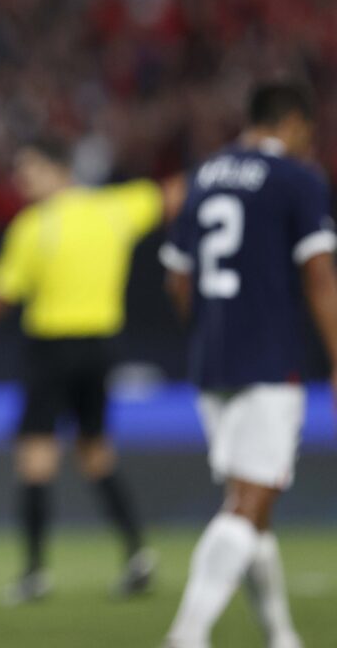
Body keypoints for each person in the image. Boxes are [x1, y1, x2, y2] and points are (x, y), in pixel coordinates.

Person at [0, 136, 177, 605]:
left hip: (51, 349)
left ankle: (34, 574)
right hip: (102, 347)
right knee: (96, 453)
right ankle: (136, 556)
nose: (21, 180)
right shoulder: (116, 209)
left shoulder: (34, 227)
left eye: (29, 170)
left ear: (58, 169)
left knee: (36, 456)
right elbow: (175, 194)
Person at [159, 83, 337, 648]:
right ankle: (188, 634)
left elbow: (177, 279)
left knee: (249, 503)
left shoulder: (204, 175)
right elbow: (320, 276)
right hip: (270, 360)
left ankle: (282, 636)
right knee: (250, 501)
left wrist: (212, 333)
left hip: (212, 360)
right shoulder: (299, 179)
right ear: (292, 123)